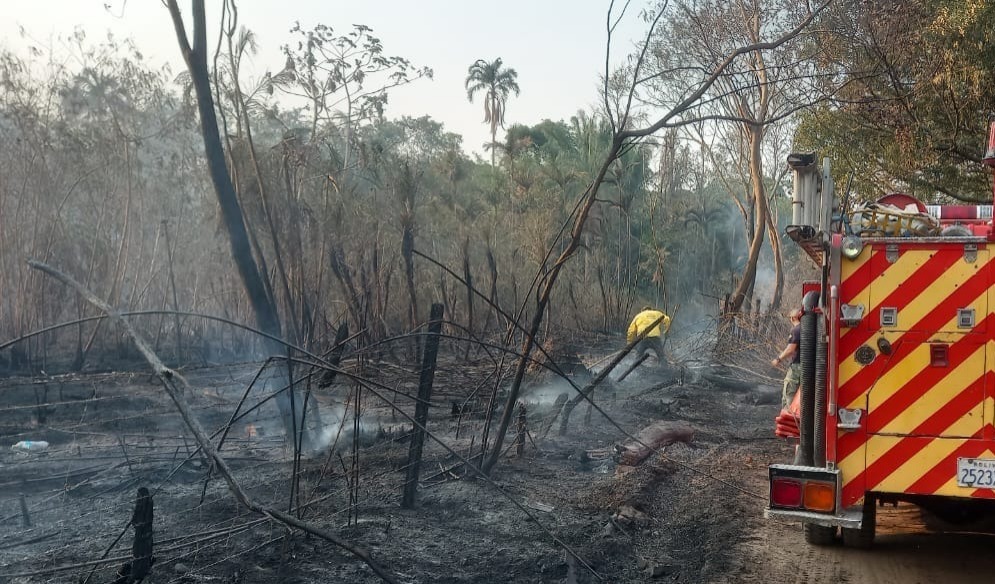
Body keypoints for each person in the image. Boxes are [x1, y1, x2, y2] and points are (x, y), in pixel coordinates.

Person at [772, 308, 803, 410]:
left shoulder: (796, 330)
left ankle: (789, 414)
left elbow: (790, 349)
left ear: (792, 318)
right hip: (807, 367)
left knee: (789, 394)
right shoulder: (808, 329)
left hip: (797, 367)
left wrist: (778, 359)